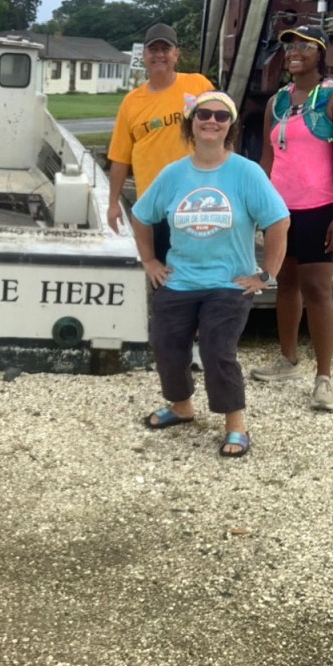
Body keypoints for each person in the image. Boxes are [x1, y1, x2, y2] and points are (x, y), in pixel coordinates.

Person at [131, 92, 290, 457]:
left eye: (221, 116)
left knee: (219, 349)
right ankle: (181, 406)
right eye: (204, 114)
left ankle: (236, 425)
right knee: (167, 345)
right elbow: (141, 215)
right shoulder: (173, 174)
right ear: (192, 121)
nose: (212, 121)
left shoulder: (246, 173)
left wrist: (266, 275)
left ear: (230, 126)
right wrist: (150, 262)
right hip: (180, 278)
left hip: (228, 283)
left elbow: (279, 220)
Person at [249, 25, 333, 412]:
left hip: (319, 207)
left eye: (304, 46)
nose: (294, 52)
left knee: (318, 289)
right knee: (286, 283)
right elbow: (268, 158)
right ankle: (287, 358)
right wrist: (259, 205)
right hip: (281, 210)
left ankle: (324, 378)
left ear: (321, 52)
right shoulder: (277, 100)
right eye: (290, 47)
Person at [107, 23, 213, 250]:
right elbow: (119, 158)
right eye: (153, 49)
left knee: (199, 270)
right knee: (159, 271)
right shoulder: (131, 102)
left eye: (165, 49)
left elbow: (223, 132)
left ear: (176, 54)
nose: (159, 55)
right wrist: (113, 203)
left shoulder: (199, 84)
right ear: (143, 55)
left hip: (197, 200)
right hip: (153, 203)